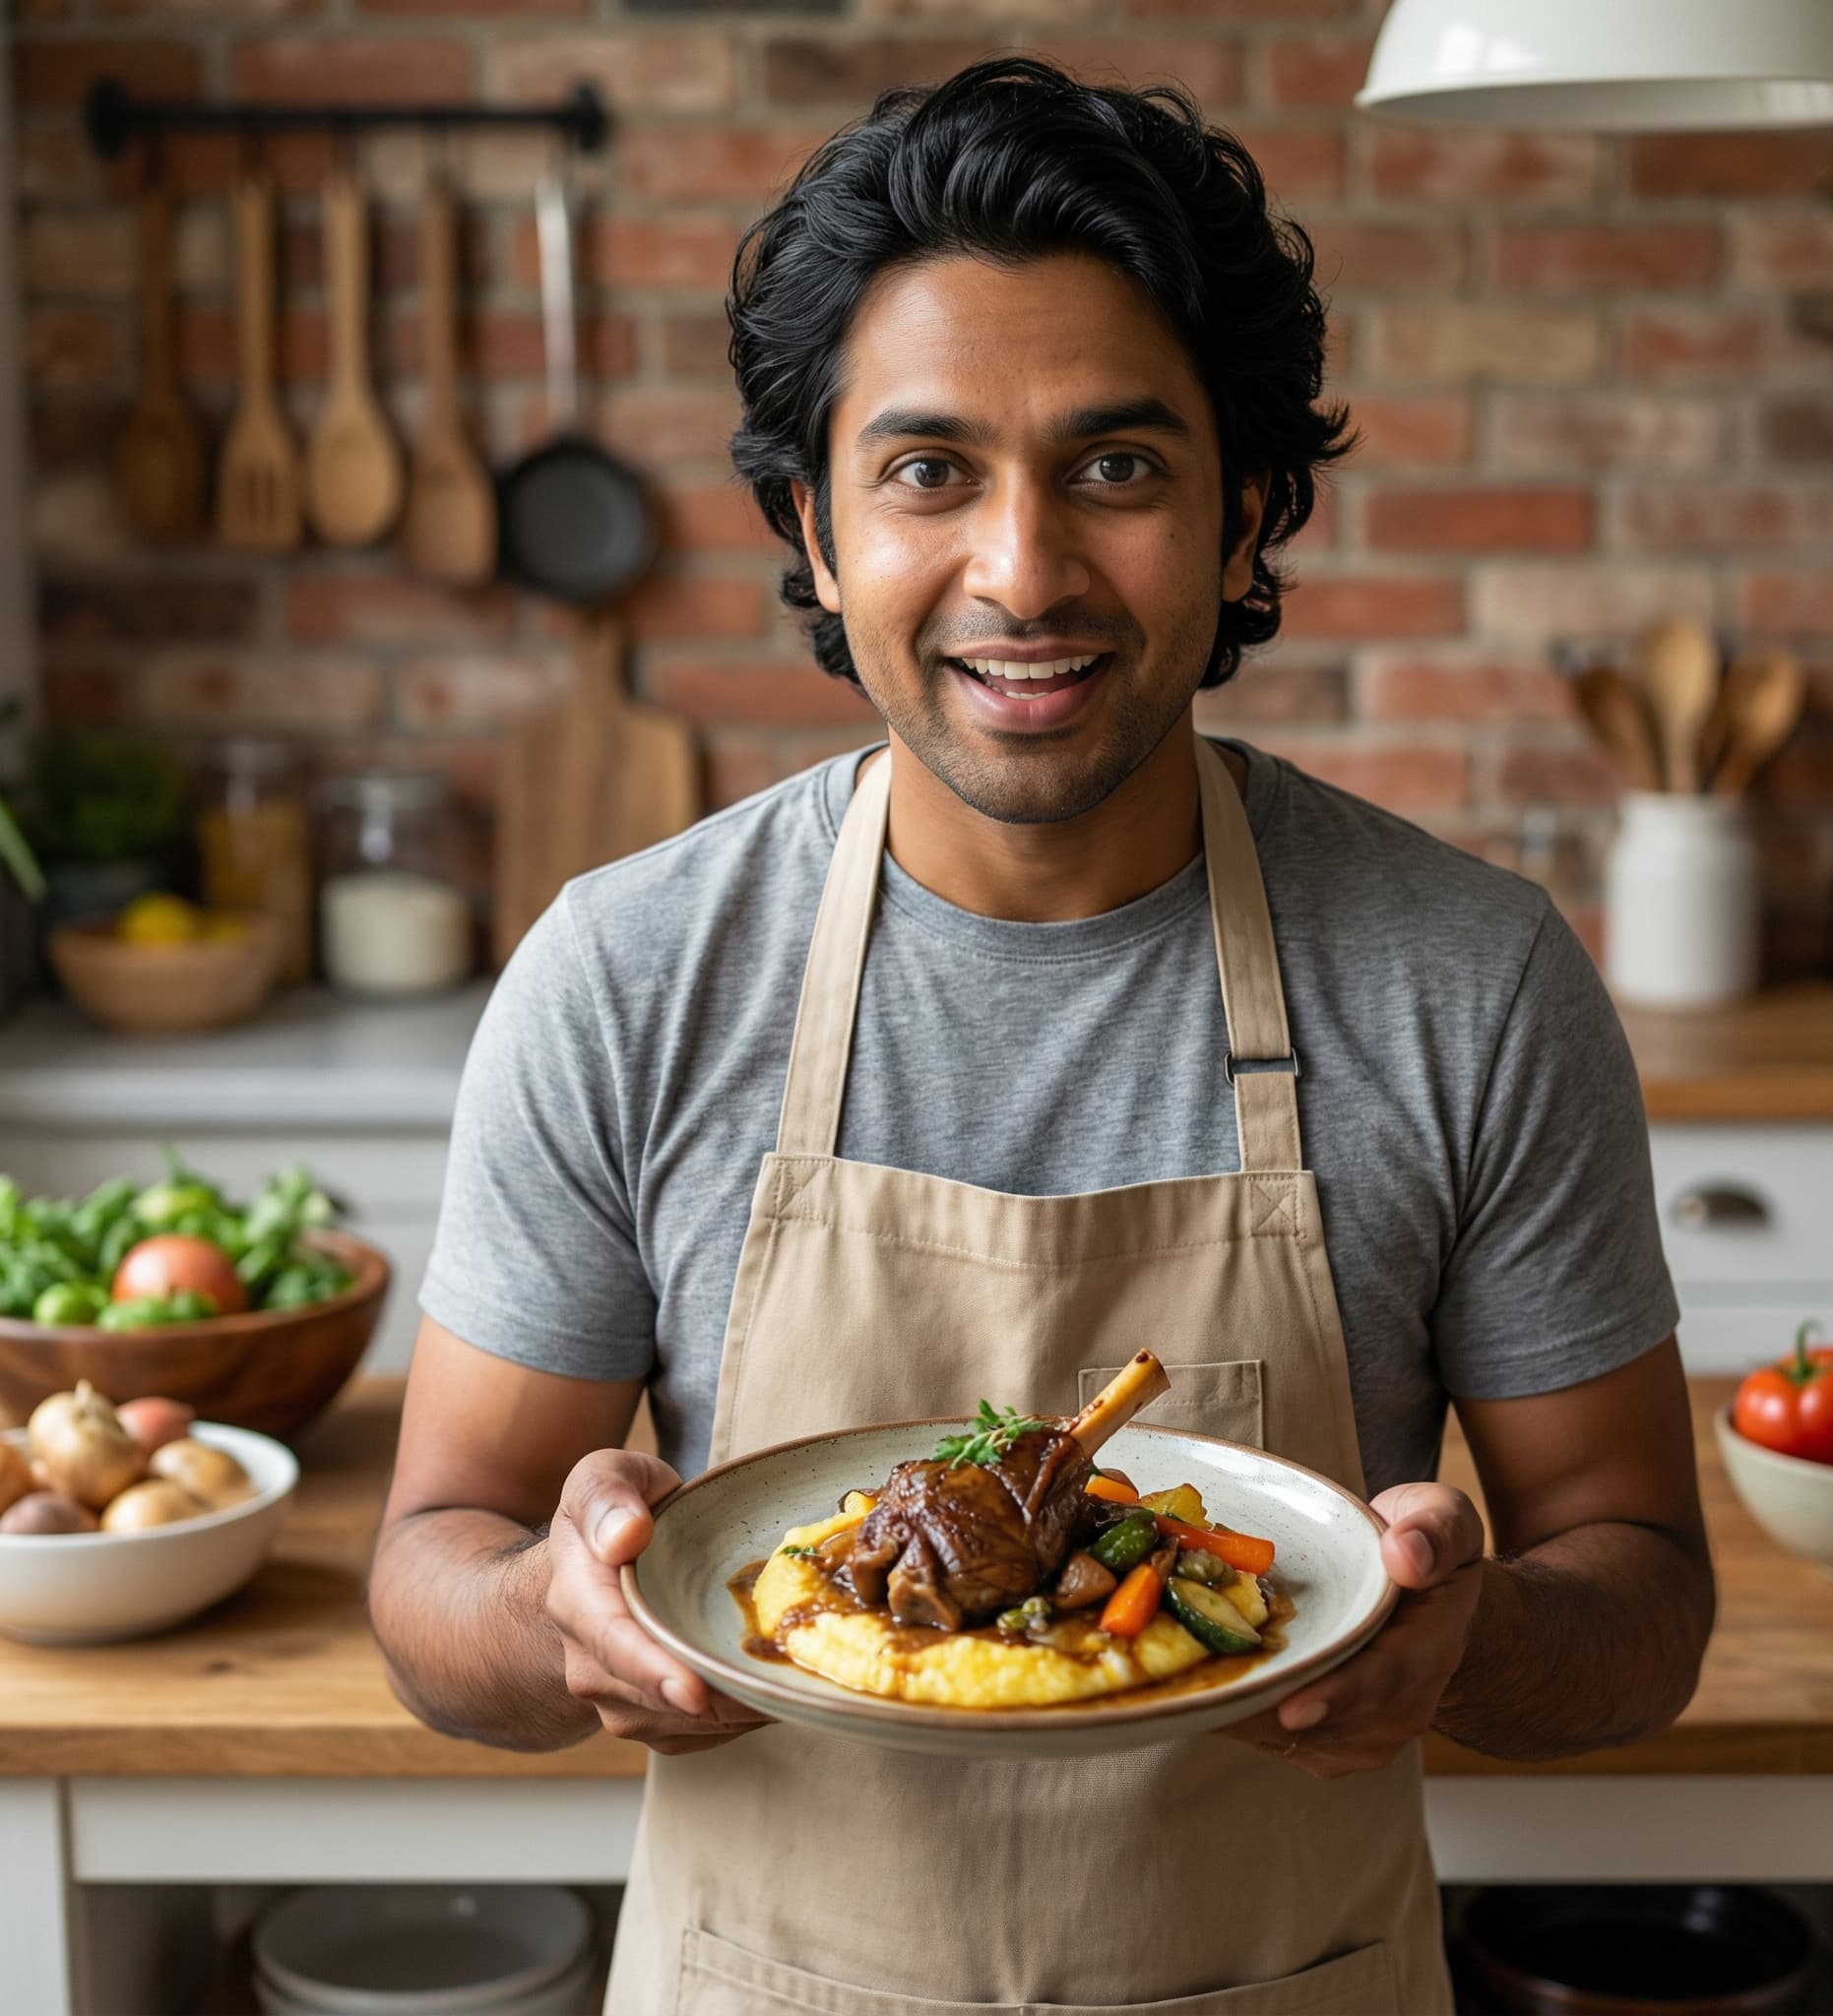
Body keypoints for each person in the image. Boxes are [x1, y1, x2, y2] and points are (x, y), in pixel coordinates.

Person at [369, 57, 1713, 2014]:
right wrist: (545, 1609)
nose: (1021, 572)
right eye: (926, 472)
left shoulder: (1465, 981)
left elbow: (1644, 1597)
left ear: (1248, 515)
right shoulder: (626, 975)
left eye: (1117, 466)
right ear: (814, 534)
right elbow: (432, 1580)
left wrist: (1470, 1632)